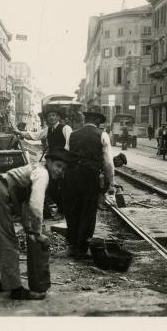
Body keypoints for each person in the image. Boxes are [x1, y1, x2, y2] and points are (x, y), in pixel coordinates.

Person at [0, 147, 71, 300]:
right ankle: (15, 288)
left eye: (64, 169)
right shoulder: (43, 173)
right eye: (58, 166)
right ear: (48, 162)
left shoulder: (36, 169)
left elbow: (26, 205)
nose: (60, 171)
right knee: (9, 241)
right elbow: (35, 205)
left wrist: (29, 229)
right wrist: (38, 232)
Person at [64, 110, 116, 259]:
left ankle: (72, 246)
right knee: (88, 211)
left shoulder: (73, 134)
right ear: (98, 121)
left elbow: (66, 154)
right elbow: (108, 163)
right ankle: (82, 248)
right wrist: (111, 182)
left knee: (73, 209)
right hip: (90, 176)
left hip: (72, 175)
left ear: (85, 119)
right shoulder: (102, 134)